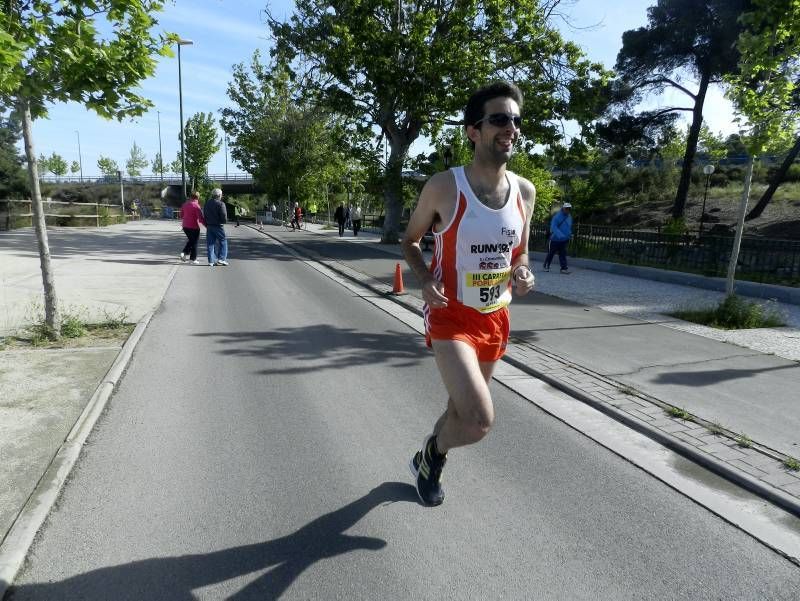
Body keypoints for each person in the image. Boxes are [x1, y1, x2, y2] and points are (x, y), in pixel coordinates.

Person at [401, 80, 536, 507]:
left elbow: (521, 253)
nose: (510, 128)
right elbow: (409, 241)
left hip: (496, 317)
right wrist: (424, 278)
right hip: (451, 317)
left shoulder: (525, 193)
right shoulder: (444, 187)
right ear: (473, 131)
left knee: (459, 412)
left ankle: (429, 461)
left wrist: (524, 273)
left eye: (515, 120)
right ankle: (433, 451)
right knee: (478, 420)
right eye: (499, 118)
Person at [543, 202, 572, 274]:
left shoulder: (569, 217)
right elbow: (553, 227)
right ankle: (546, 266)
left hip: (564, 239)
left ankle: (563, 268)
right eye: (566, 208)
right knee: (551, 253)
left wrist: (569, 234)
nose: (568, 210)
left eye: (569, 209)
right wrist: (560, 235)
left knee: (563, 254)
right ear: (563, 208)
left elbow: (568, 227)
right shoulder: (557, 216)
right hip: (554, 239)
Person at [203, 188, 229, 266]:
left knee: (210, 243)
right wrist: (224, 222)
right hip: (218, 226)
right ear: (219, 195)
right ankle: (221, 259)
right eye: (221, 195)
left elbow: (204, 214)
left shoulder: (207, 203)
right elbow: (224, 215)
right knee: (223, 241)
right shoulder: (221, 204)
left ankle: (211, 261)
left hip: (209, 226)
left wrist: (207, 223)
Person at [180, 192, 205, 264]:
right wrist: (207, 226)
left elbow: (181, 216)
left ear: (190, 197)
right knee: (194, 242)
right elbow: (201, 219)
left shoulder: (184, 205)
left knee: (191, 241)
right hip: (194, 227)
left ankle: (184, 254)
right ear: (198, 197)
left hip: (185, 227)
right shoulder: (197, 206)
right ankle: (192, 259)